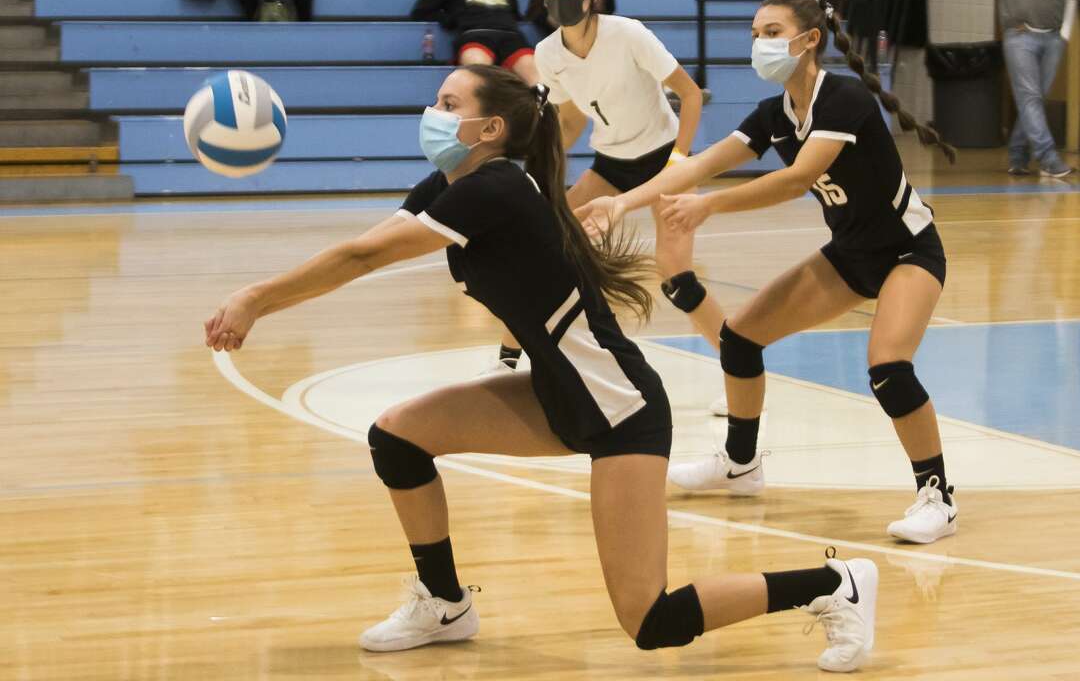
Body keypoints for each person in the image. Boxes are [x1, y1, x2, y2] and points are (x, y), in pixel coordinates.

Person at [203, 64, 881, 673]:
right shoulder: (456, 180)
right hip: (560, 393)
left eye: (447, 102)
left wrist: (256, 298)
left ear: (490, 127)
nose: (432, 114)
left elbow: (363, 259)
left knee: (651, 619)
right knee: (399, 438)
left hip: (620, 412)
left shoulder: (493, 189)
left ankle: (834, 585)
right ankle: (444, 603)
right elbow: (370, 243)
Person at [577, 0, 962, 544]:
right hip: (851, 255)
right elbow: (700, 165)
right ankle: (740, 463)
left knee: (888, 368)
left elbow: (797, 179)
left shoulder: (844, 100)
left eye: (773, 31)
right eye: (756, 32)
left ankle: (937, 496)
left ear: (809, 41)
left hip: (908, 252)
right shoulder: (774, 115)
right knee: (739, 339)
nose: (760, 43)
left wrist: (710, 205)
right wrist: (621, 202)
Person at [483, 0, 715, 384]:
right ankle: (507, 360)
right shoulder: (548, 53)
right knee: (543, 246)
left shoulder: (629, 34)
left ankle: (733, 366)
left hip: (666, 160)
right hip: (612, 165)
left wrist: (679, 165)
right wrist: (541, 178)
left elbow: (691, 95)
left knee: (676, 276)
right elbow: (568, 121)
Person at [915, 0, 1077, 178]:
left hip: (1052, 38)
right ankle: (1049, 159)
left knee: (1035, 99)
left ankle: (1017, 155)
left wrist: (1064, 34)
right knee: (1029, 98)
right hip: (1020, 35)